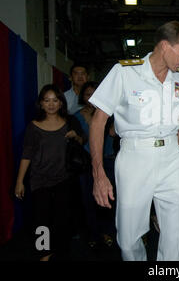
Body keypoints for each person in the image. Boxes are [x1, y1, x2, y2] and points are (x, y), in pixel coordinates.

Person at [88, 21, 179, 261]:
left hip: (171, 158)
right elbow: (98, 121)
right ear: (165, 46)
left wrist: (172, 153)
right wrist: (98, 173)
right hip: (135, 158)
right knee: (128, 237)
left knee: (175, 232)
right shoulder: (125, 72)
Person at [14, 84, 85, 261]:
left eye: (55, 100)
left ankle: (60, 251)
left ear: (61, 103)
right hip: (39, 179)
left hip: (64, 178)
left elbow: (82, 140)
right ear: (41, 104)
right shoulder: (34, 126)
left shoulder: (70, 121)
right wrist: (19, 181)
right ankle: (43, 254)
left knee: (62, 219)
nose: (51, 104)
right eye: (47, 100)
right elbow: (27, 153)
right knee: (41, 220)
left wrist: (75, 136)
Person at [74, 81, 116, 249]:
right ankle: (93, 233)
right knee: (88, 200)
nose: (91, 98)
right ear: (82, 97)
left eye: (95, 93)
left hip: (109, 161)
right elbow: (77, 141)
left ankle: (108, 232)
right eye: (87, 94)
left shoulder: (110, 114)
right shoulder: (76, 116)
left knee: (109, 199)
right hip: (86, 163)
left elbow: (115, 134)